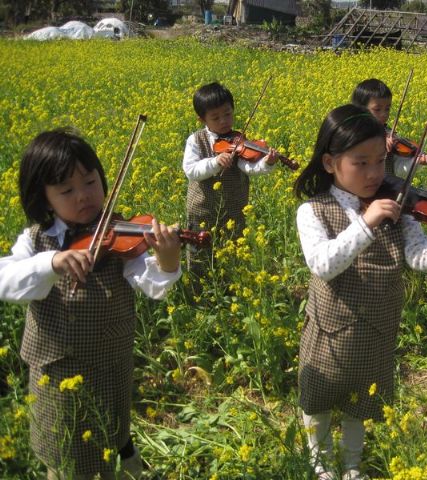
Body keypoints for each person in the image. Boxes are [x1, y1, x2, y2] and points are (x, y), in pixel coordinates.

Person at [294, 104, 427, 480]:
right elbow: (323, 264)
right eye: (360, 163)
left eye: (380, 162)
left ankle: (351, 463)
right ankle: (319, 463)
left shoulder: (399, 206)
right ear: (331, 163)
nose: (374, 174)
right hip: (330, 328)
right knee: (318, 396)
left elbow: (421, 259)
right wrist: (366, 224)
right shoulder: (313, 210)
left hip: (378, 327)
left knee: (362, 400)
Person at [0, 129, 182, 479]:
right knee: (65, 454)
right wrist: (51, 262)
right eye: (67, 190)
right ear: (44, 197)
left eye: (90, 181)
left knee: (111, 433)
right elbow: (6, 280)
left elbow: (152, 284)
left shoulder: (122, 233)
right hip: (54, 374)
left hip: (107, 366)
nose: (83, 196)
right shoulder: (36, 240)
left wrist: (169, 260)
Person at [182, 81, 277, 274]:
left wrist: (267, 163)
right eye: (215, 117)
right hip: (203, 210)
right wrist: (215, 162)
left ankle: (232, 280)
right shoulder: (196, 140)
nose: (224, 121)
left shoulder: (238, 139)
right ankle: (201, 287)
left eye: (227, 114)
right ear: (202, 120)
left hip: (234, 207)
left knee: (233, 249)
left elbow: (248, 167)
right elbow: (191, 170)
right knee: (201, 251)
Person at [351, 78, 427, 178]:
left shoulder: (389, 135)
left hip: (386, 189)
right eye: (377, 109)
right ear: (361, 109)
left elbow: (398, 168)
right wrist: (376, 145)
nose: (384, 114)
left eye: (387, 109)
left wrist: (415, 162)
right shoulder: (353, 134)